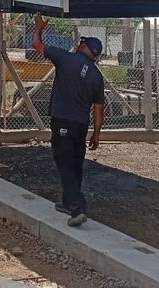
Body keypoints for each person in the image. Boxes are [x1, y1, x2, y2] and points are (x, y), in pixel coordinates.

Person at [31, 13, 105, 227]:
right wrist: (97, 133)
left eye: (81, 43)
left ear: (85, 48)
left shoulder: (66, 58)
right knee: (75, 165)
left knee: (64, 164)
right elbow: (98, 109)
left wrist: (39, 28)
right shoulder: (96, 76)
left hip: (62, 121)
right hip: (81, 126)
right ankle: (66, 202)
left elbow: (36, 44)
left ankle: (77, 208)